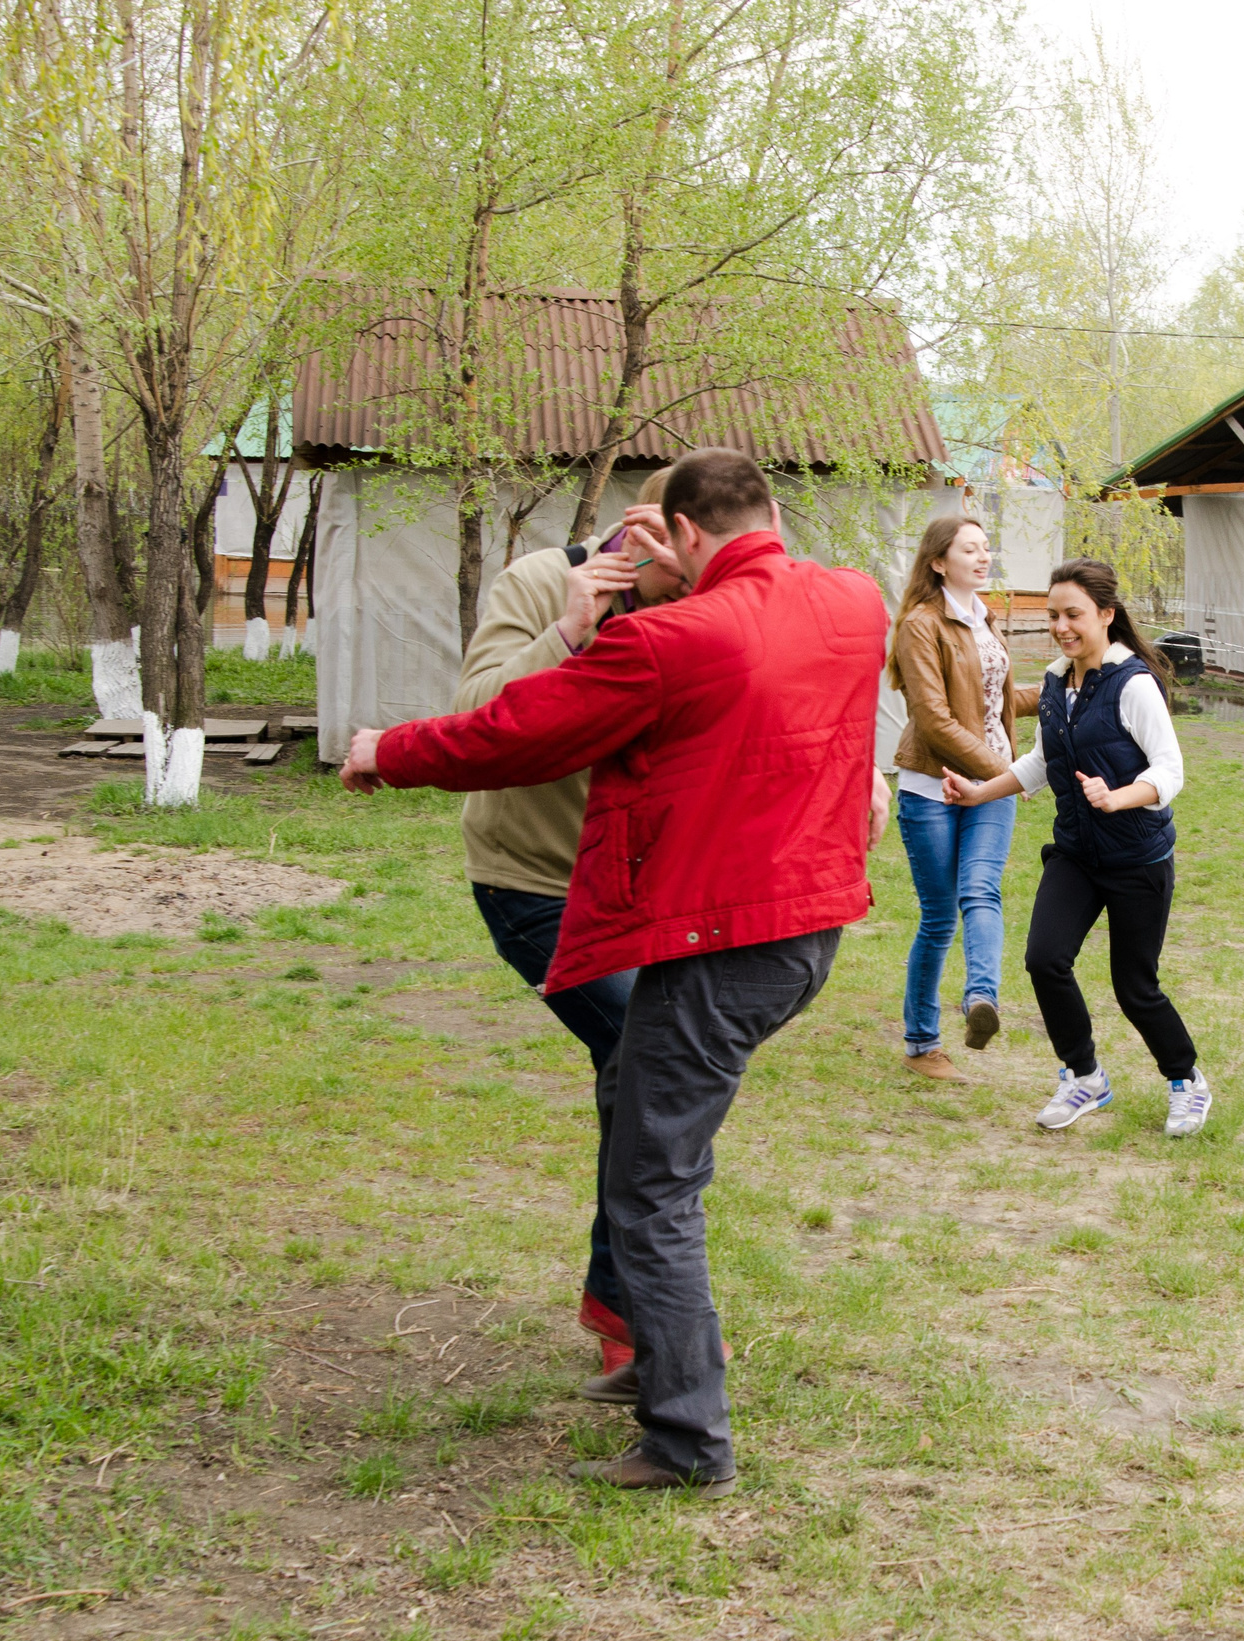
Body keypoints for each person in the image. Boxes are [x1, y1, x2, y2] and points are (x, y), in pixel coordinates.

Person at [341, 447, 891, 1491]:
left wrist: (384, 750)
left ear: (684, 534)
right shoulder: (853, 599)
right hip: (803, 932)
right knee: (647, 1125)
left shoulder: (673, 639)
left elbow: (516, 732)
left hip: (720, 938)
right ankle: (643, 1350)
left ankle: (687, 1437)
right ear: (767, 513)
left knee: (651, 1182)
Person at [452, 469, 688, 1398]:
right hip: (536, 885)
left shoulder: (703, 605)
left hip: (649, 894)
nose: (692, 578)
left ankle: (623, 1300)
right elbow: (479, 719)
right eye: (677, 557)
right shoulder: (541, 584)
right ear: (643, 532)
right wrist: (567, 634)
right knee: (644, 1052)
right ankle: (629, 1311)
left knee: (640, 1069)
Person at [941, 560, 1212, 1138]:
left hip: (1138, 858)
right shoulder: (1057, 684)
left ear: (1106, 616)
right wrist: (976, 792)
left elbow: (1171, 771)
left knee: (1134, 988)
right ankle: (1084, 1076)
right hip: (1076, 854)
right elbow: (1041, 763)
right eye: (1054, 615)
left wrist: (1118, 798)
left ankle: (1186, 1081)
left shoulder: (1133, 683)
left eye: (1074, 615)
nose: (1062, 626)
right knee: (1044, 958)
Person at [887, 514, 1038, 1082]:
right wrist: (1006, 773)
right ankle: (922, 1043)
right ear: (937, 560)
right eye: (969, 549)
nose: (983, 557)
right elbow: (933, 719)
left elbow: (991, 699)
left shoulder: (984, 620)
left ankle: (982, 1002)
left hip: (989, 786)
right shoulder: (921, 625)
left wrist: (1057, 686)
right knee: (938, 918)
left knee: (982, 890)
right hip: (933, 785)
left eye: (986, 548)